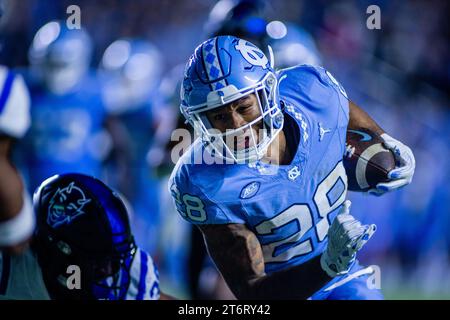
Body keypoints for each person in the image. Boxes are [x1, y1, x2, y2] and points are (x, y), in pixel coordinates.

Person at [169, 35, 415, 299]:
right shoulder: (202, 181)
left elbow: (345, 110)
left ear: (267, 94)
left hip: (342, 279)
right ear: (201, 122)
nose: (236, 124)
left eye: (244, 107)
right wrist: (326, 265)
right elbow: (252, 292)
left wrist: (386, 139)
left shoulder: (312, 91)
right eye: (219, 116)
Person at [0, 173, 167, 300]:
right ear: (61, 254)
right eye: (100, 261)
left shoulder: (125, 269)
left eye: (112, 260)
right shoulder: (10, 268)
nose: (109, 271)